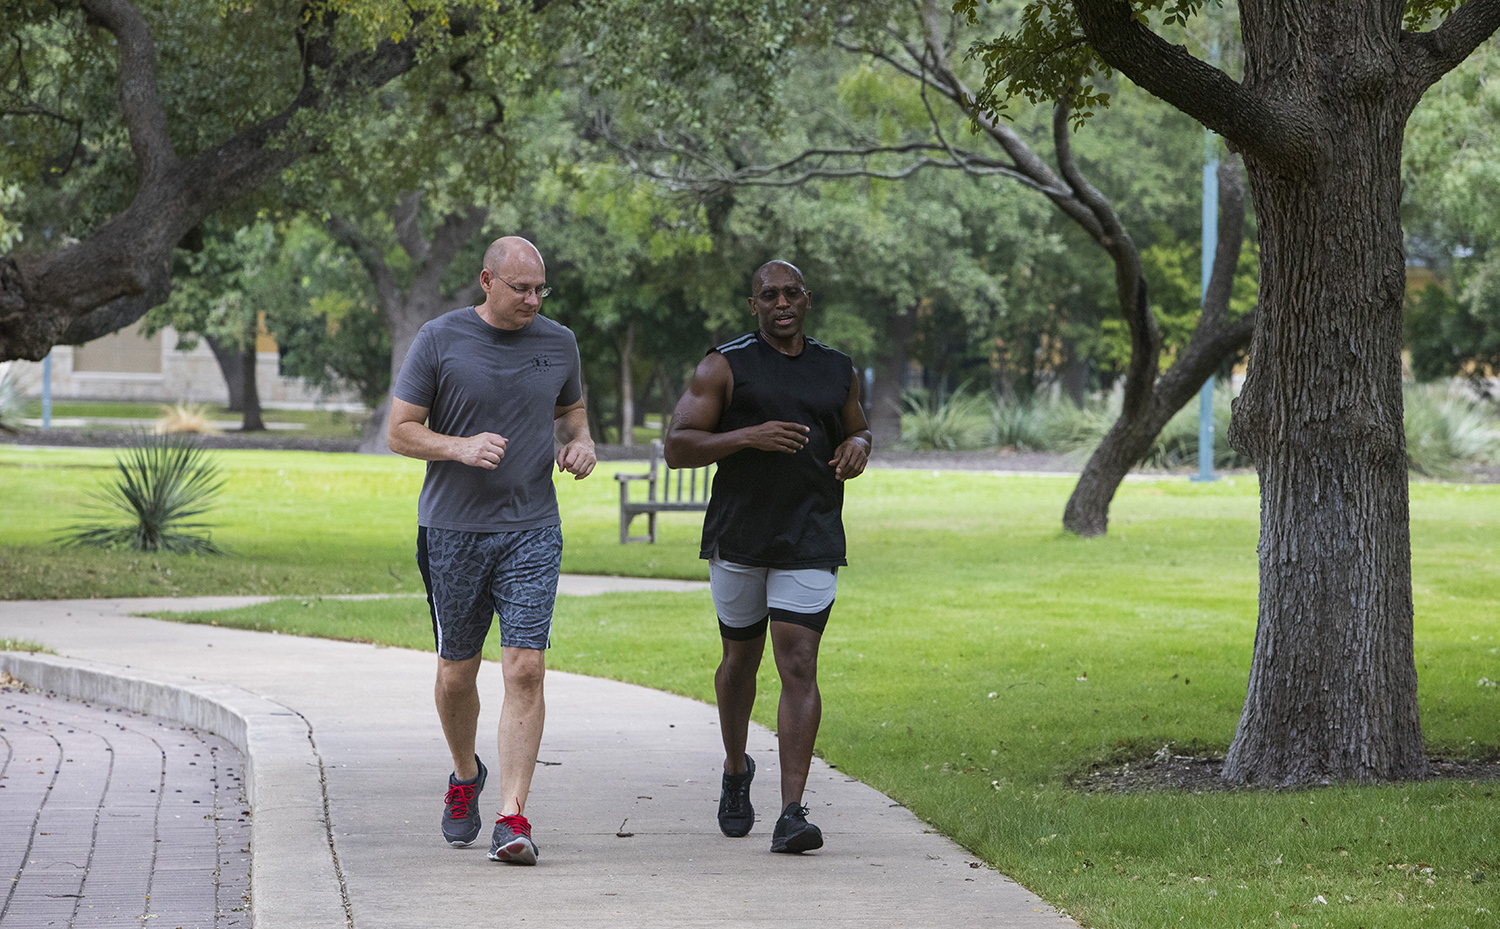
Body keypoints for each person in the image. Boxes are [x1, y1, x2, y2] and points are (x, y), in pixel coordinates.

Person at [388, 236, 596, 866]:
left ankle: (512, 816)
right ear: (487, 280)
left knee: (526, 667)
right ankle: (463, 774)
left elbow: (574, 411)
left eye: (541, 290)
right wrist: (459, 447)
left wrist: (580, 443)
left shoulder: (558, 342)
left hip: (532, 524)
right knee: (457, 671)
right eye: (521, 289)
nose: (533, 300)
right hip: (452, 529)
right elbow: (399, 432)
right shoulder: (439, 339)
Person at [664, 259, 871, 853]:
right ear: (753, 305)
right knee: (739, 663)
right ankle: (735, 769)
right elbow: (678, 446)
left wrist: (857, 445)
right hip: (741, 538)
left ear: (806, 300)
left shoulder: (837, 369)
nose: (781, 303)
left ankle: (792, 812)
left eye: (791, 293)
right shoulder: (724, 365)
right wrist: (745, 437)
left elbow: (858, 427)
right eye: (768, 295)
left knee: (798, 662)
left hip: (810, 534)